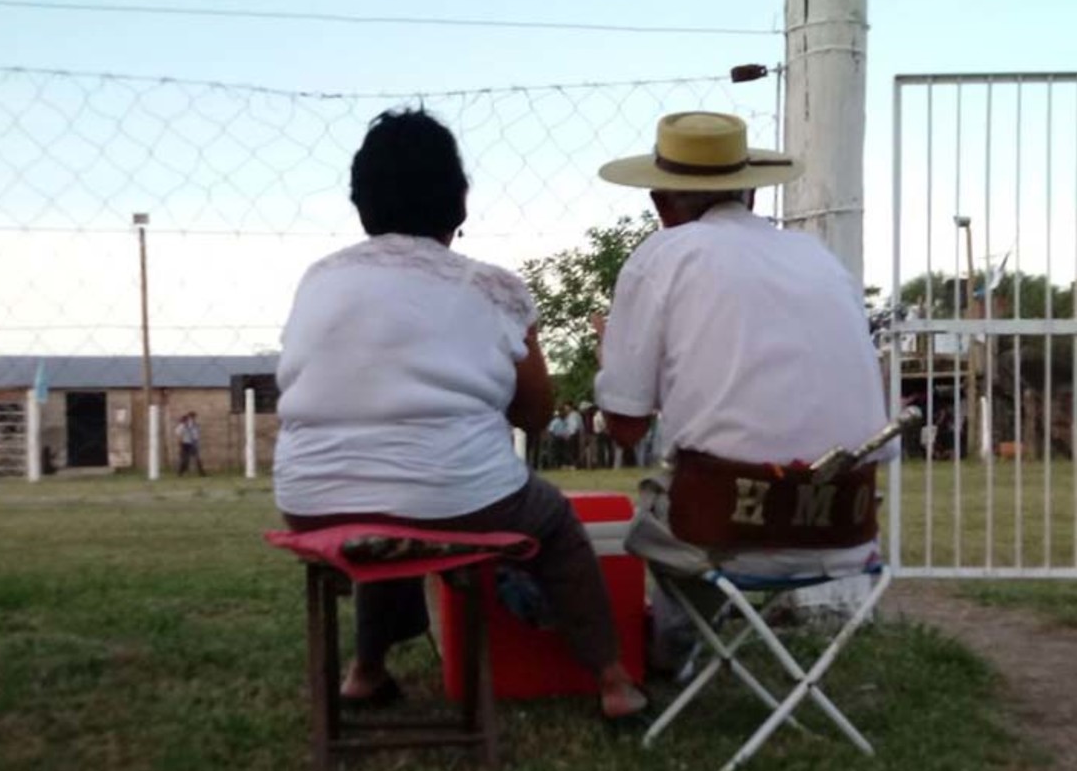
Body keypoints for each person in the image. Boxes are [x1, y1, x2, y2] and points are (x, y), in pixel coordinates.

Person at [273, 108, 646, 723]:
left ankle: (365, 672)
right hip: (458, 496)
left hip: (313, 498)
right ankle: (613, 682)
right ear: (460, 202)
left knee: (388, 501)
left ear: (360, 201)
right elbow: (536, 414)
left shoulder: (320, 279)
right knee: (549, 519)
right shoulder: (492, 289)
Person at [592, 110, 894, 672]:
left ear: (661, 203)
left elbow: (624, 426)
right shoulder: (821, 261)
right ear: (752, 194)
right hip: (844, 529)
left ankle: (674, 652)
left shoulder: (661, 258)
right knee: (705, 492)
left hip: (728, 529)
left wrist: (618, 358)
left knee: (664, 511)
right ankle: (692, 646)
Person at [176, 411, 206, 476]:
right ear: (189, 417)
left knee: (197, 458)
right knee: (185, 459)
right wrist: (180, 443)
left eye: (194, 417)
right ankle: (181, 472)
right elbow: (179, 434)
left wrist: (196, 441)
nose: (193, 419)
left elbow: (196, 434)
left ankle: (202, 473)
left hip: (193, 443)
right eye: (192, 417)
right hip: (185, 444)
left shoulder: (195, 425)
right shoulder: (183, 425)